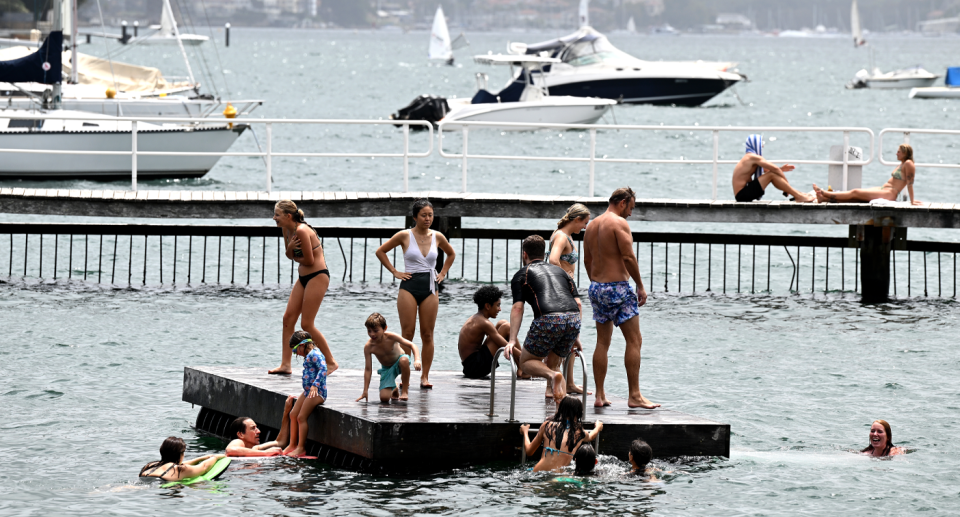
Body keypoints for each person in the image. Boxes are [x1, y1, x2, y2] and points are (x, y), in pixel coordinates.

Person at [583, 187, 659, 409]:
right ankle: (634, 395)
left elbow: (588, 262)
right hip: (618, 288)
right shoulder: (618, 223)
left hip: (596, 287)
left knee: (602, 343)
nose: (631, 214)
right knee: (634, 340)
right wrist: (640, 286)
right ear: (623, 202)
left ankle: (599, 395)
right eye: (631, 208)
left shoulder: (592, 226)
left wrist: (598, 283)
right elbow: (627, 256)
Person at [375, 199, 456, 389]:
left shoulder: (438, 236)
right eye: (424, 215)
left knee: (427, 334)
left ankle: (425, 376)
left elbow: (451, 254)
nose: (428, 219)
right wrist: (395, 272)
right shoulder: (404, 235)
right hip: (408, 287)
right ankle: (405, 376)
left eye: (430, 215)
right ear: (414, 217)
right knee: (407, 333)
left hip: (430, 288)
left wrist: (443, 273)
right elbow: (381, 251)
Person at [506, 235, 583, 401]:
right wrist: (575, 336)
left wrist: (512, 340)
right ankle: (554, 397)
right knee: (554, 360)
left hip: (549, 319)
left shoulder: (522, 274)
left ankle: (552, 375)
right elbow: (579, 304)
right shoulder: (562, 272)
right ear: (545, 254)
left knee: (526, 362)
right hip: (573, 318)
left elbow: (518, 308)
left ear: (524, 254)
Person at [268, 200, 338, 376]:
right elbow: (290, 255)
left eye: (277, 214)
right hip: (303, 277)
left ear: (288, 216)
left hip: (318, 276)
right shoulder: (286, 230)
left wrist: (290, 251)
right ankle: (285, 365)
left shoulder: (301, 230)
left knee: (307, 323)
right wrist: (289, 250)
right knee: (288, 318)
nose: (274, 217)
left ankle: (331, 362)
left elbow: (309, 260)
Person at [547, 203, 593, 396]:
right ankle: (557, 382)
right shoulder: (560, 236)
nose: (584, 227)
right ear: (575, 220)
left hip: (567, 291)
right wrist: (566, 281)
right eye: (584, 223)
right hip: (564, 292)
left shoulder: (568, 237)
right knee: (568, 335)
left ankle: (571, 382)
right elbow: (553, 259)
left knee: (573, 336)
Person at [814, 144, 921, 205]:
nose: (896, 154)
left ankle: (825, 193)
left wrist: (911, 201)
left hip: (890, 193)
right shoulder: (902, 163)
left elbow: (910, 184)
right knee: (858, 197)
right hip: (884, 189)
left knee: (855, 192)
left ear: (905, 153)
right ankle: (824, 199)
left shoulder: (908, 164)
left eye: (898, 152)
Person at [519, 396, 603, 472]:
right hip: (558, 477)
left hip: (538, 471)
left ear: (560, 409)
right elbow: (591, 436)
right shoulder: (580, 432)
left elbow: (529, 451)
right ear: (578, 413)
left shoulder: (547, 426)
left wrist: (525, 432)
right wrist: (598, 427)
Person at [357, 313, 422, 403]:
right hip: (387, 368)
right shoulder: (369, 347)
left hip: (400, 362)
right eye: (369, 331)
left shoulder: (391, 337)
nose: (372, 334)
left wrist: (417, 359)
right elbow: (368, 369)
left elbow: (412, 345)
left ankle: (404, 391)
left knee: (404, 360)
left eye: (376, 331)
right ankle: (394, 387)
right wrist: (365, 391)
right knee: (384, 398)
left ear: (385, 329)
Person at [458, 285, 520, 379]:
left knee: (502, 323)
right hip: (475, 368)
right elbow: (502, 342)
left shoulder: (477, 318)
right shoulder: (484, 323)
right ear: (487, 306)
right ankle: (524, 365)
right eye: (498, 305)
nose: (500, 309)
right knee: (507, 327)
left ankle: (522, 367)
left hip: (470, 366)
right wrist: (524, 356)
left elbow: (496, 338)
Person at [283, 330, 327, 458]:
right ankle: (292, 444)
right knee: (293, 414)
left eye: (295, 350)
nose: (296, 353)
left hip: (317, 392)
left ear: (302, 345)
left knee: (301, 417)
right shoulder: (309, 355)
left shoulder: (315, 354)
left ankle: (301, 448)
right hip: (308, 391)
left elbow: (324, 368)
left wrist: (315, 385)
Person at [732, 134, 813, 203]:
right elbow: (774, 169)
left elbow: (767, 170)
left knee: (771, 174)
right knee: (771, 175)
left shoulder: (749, 157)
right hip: (742, 195)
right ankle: (798, 195)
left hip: (742, 194)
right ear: (755, 144)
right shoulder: (752, 157)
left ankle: (798, 194)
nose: (762, 146)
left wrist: (781, 169)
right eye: (761, 144)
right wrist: (786, 186)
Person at [140, 437, 226, 482]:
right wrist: (215, 457)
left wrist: (201, 458)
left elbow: (180, 464)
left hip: (143, 481)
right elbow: (204, 467)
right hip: (158, 486)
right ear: (179, 454)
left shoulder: (150, 465)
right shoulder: (178, 469)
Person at [225, 403, 294, 457]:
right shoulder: (238, 441)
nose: (258, 431)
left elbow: (281, 442)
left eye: (256, 428)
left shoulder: (255, 448)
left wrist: (286, 412)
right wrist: (266, 453)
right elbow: (230, 450)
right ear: (240, 434)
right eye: (253, 428)